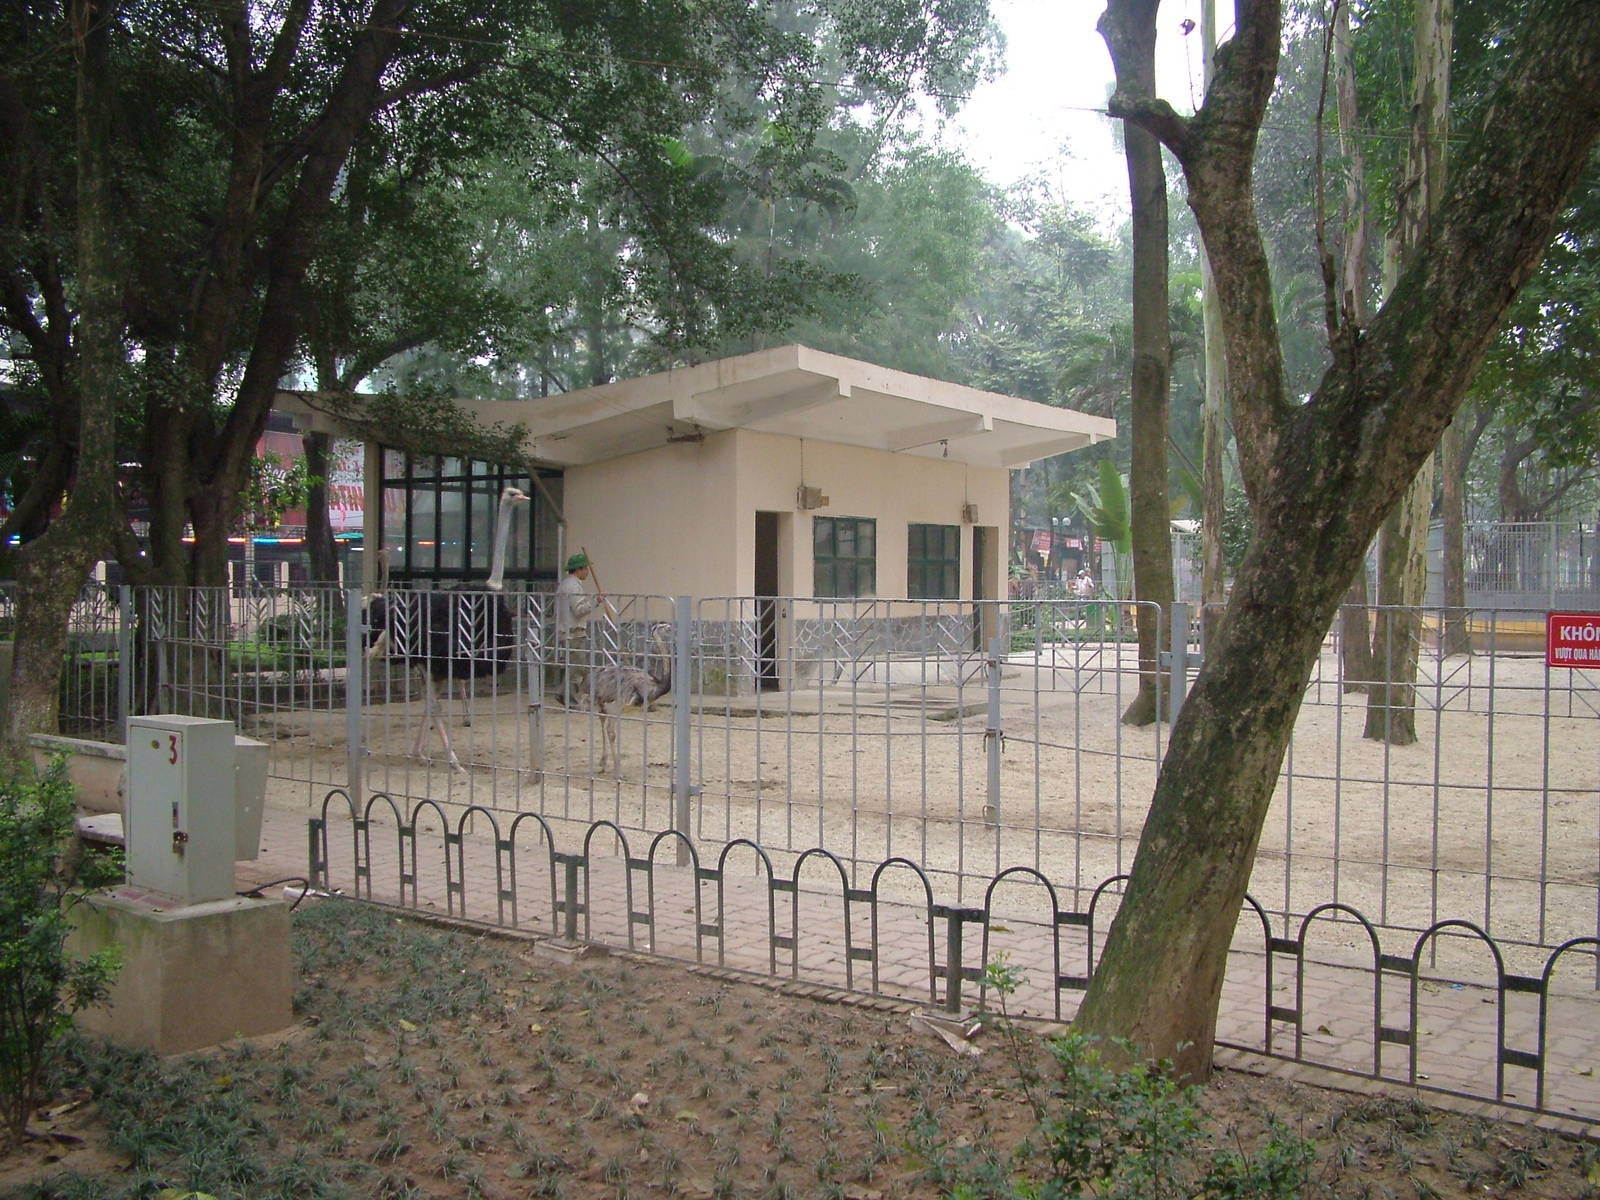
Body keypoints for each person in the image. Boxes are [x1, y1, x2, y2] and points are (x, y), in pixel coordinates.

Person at [553, 552, 605, 700]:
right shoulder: (573, 586)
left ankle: (566, 694)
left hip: (567, 629)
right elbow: (579, 610)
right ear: (579, 569)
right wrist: (596, 601)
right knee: (577, 667)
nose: (587, 572)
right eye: (585, 569)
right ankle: (568, 697)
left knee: (576, 666)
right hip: (573, 631)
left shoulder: (565, 584)